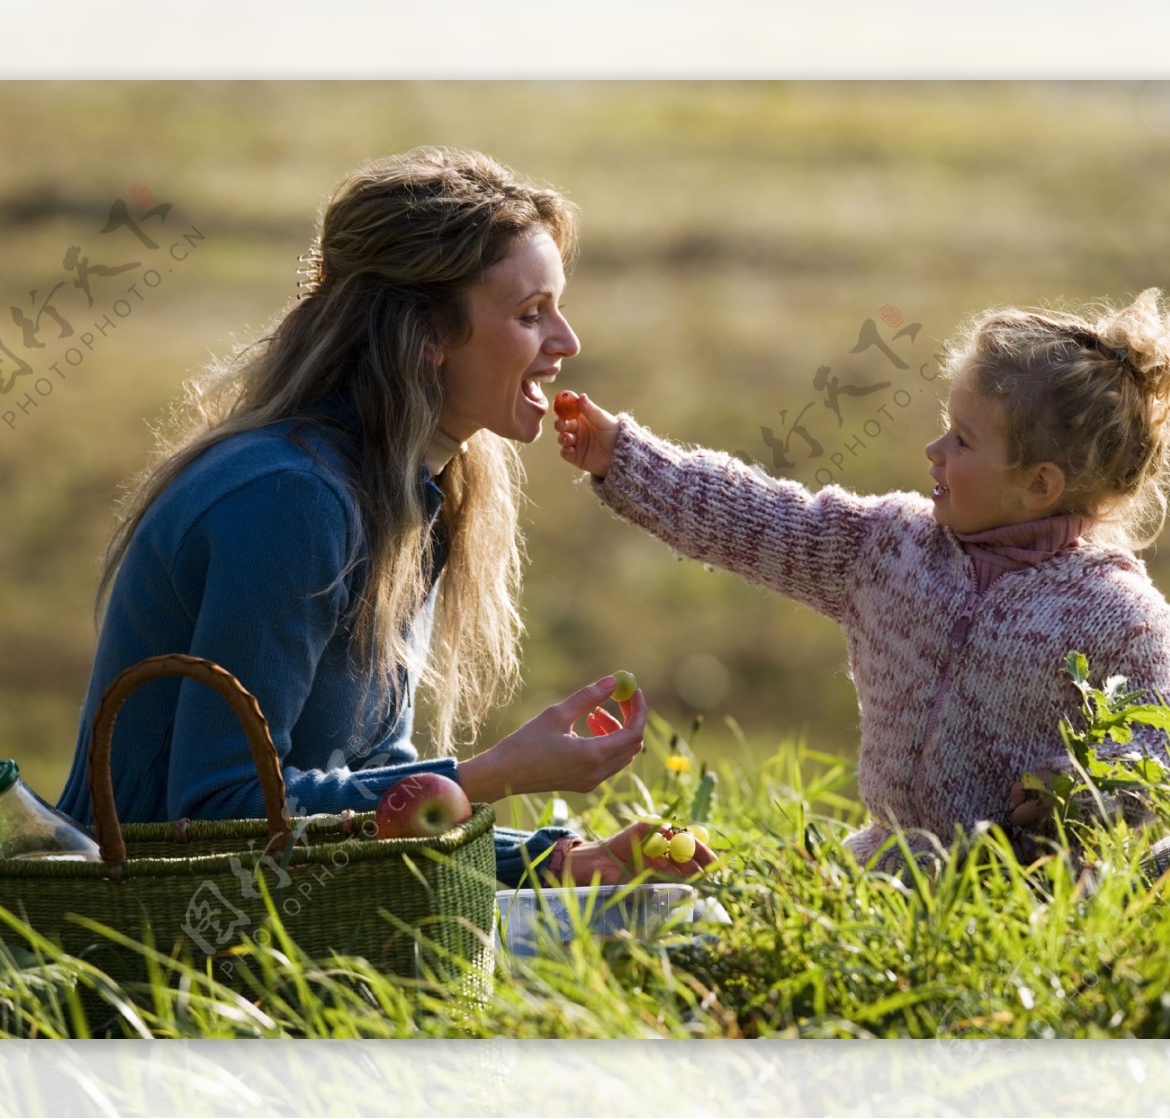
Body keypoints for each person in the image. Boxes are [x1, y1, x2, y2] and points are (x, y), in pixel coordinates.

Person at [55, 147, 715, 886]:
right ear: (427, 336)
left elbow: (367, 787)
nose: (567, 342)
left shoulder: (416, 491)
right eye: (531, 315)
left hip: (281, 905)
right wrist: (490, 774)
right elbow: (217, 812)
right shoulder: (289, 503)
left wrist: (557, 862)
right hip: (149, 926)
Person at [555, 289, 1170, 869]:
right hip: (889, 863)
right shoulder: (890, 546)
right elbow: (758, 519)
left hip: (1031, 889)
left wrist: (1083, 789)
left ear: (1039, 485)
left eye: (963, 441)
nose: (934, 451)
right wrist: (623, 457)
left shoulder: (1114, 610)